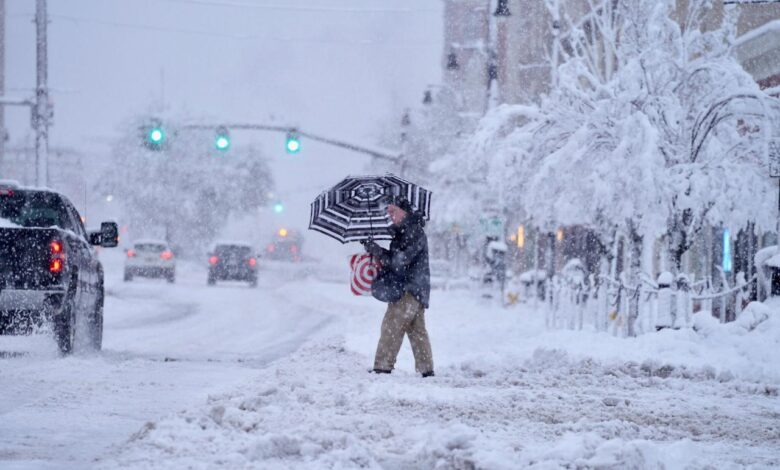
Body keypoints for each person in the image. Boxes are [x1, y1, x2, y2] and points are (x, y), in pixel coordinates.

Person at [361, 196, 433, 378]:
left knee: (391, 326)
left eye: (393, 211)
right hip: (417, 289)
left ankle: (382, 368)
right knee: (417, 332)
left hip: (407, 289)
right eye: (388, 211)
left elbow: (400, 262)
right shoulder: (406, 232)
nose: (390, 214)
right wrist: (374, 248)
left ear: (405, 211)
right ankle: (426, 370)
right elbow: (397, 259)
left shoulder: (412, 232)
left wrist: (377, 251)